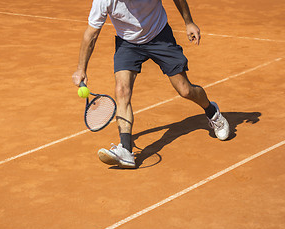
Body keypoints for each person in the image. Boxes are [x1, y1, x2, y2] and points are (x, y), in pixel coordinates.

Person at [72, 0, 229, 168]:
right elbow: (91, 34)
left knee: (185, 90)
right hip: (127, 43)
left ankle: (212, 112)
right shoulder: (104, 1)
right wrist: (81, 69)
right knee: (121, 90)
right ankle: (126, 149)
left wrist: (188, 22)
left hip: (159, 36)